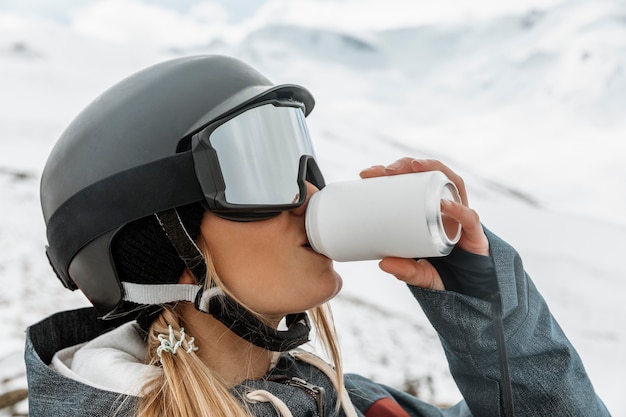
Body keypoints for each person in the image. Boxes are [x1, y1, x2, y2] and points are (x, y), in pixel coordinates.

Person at [25, 55, 610, 417]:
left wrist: (486, 312)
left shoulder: (352, 404)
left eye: (301, 157)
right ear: (163, 249)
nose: (309, 195)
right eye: (262, 171)